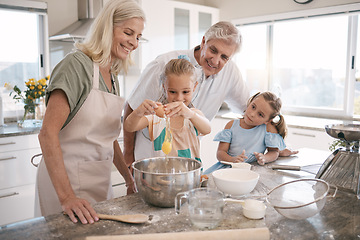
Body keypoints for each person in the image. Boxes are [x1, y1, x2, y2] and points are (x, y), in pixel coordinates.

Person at [123, 21, 297, 167]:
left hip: (186, 159)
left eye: (224, 57)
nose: (216, 61)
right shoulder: (165, 65)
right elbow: (132, 107)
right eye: (213, 50)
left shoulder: (230, 73)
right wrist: (128, 157)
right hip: (150, 159)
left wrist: (277, 146)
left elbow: (252, 111)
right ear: (204, 41)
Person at [36, 0, 145, 225]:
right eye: (128, 32)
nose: (134, 42)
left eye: (138, 37)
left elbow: (107, 138)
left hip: (98, 180)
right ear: (107, 27)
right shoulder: (76, 65)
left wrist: (128, 178)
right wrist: (66, 197)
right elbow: (47, 133)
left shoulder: (111, 74)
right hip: (65, 185)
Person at [124, 58, 211, 160]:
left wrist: (191, 114)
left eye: (185, 92)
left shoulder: (194, 115)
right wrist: (138, 112)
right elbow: (129, 127)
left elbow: (207, 129)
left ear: (194, 87)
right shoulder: (155, 117)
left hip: (191, 174)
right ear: (164, 87)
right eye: (173, 92)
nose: (179, 98)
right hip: (162, 174)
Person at [203, 92, 287, 174]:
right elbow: (220, 153)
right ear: (250, 102)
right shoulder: (231, 125)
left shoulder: (268, 129)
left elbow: (274, 152)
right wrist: (232, 160)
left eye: (260, 114)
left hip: (251, 171)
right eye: (253, 107)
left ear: (267, 121)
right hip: (228, 169)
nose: (252, 114)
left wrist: (265, 158)